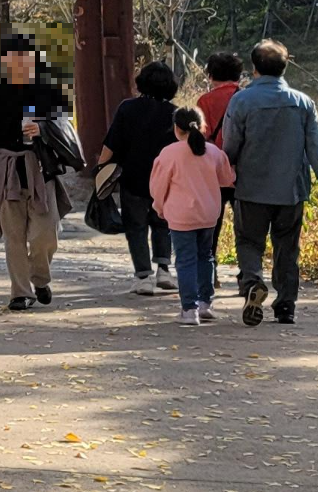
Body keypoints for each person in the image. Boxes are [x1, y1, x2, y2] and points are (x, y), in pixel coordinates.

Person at [221, 37, 318, 326]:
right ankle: (286, 305)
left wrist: (225, 173)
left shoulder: (241, 101)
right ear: (284, 68)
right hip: (291, 190)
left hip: (251, 188)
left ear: (254, 69)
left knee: (249, 241)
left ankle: (252, 284)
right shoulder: (302, 103)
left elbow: (230, 145)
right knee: (287, 247)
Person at [0, 35, 81, 311]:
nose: (17, 62)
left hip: (41, 166)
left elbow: (63, 123)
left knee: (45, 233)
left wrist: (43, 129)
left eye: (23, 57)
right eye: (11, 58)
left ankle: (39, 278)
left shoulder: (49, 87)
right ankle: (20, 292)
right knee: (13, 234)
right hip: (6, 166)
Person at [100, 62, 183, 295]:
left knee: (136, 227)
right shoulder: (175, 113)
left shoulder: (127, 108)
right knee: (163, 224)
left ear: (141, 83)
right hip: (166, 181)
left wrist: (100, 168)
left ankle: (143, 276)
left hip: (133, 179)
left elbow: (111, 145)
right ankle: (164, 269)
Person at [150, 103, 237, 321]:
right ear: (202, 126)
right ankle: (205, 303)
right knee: (205, 257)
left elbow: (158, 186)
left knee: (185, 260)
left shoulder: (169, 153)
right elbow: (227, 179)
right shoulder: (214, 152)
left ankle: (189, 309)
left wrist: (159, 207)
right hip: (208, 214)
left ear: (176, 129)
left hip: (181, 216)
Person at [196, 51, 242, 143]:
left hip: (215, 153)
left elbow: (203, 134)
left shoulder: (205, 101)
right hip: (241, 153)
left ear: (211, 75)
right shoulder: (244, 96)